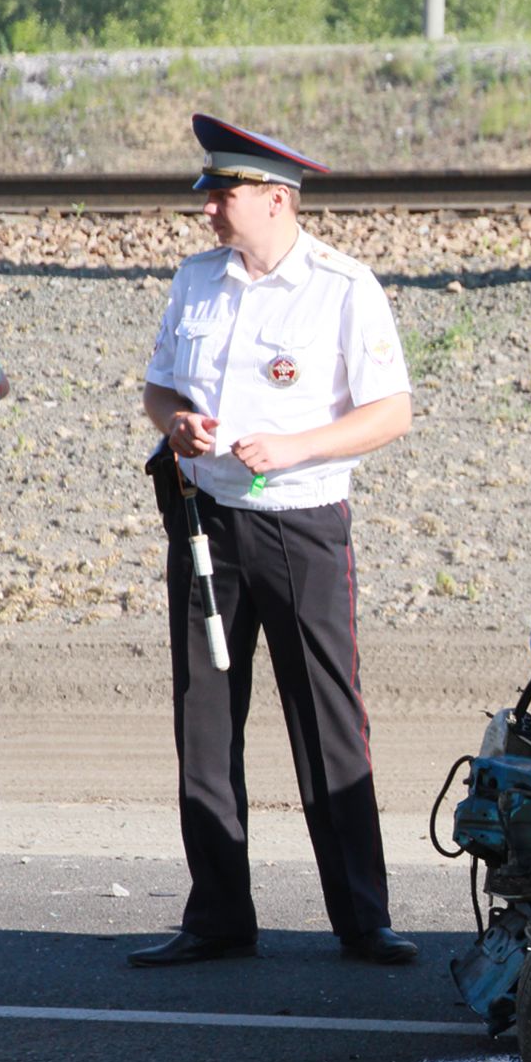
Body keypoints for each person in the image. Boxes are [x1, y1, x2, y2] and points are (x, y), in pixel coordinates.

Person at [133, 115, 417, 967]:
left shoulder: (341, 284)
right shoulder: (198, 280)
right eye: (211, 194)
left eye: (224, 194)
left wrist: (295, 446)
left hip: (300, 522)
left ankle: (363, 919)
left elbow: (391, 412)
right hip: (207, 523)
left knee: (325, 720)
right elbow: (156, 389)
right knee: (205, 722)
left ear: (276, 198)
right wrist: (174, 423)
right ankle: (219, 915)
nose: (210, 209)